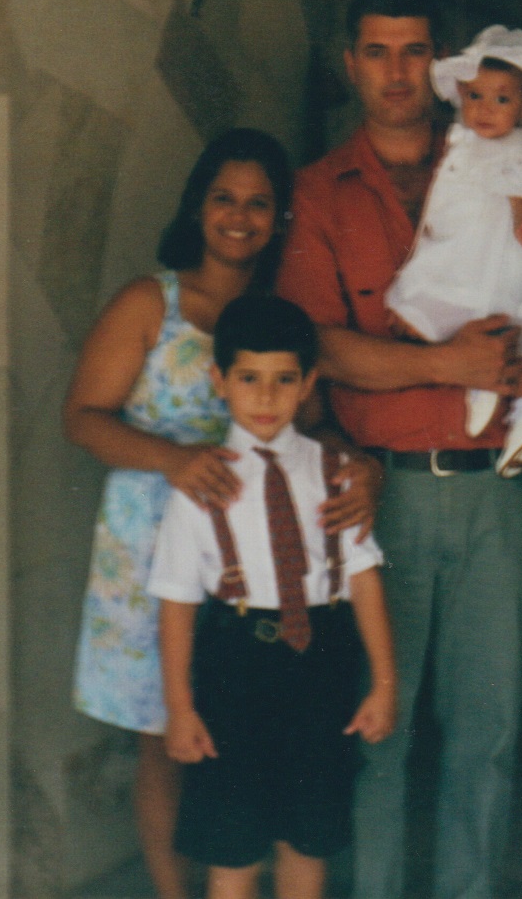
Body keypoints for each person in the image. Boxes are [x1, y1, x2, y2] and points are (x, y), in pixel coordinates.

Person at [277, 0, 522, 899]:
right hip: (379, 496)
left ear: (444, 65)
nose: (398, 71)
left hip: (497, 493)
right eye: (379, 51)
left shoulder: (504, 167)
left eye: (416, 50)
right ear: (349, 62)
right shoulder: (316, 194)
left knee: (488, 735)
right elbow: (321, 347)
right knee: (373, 733)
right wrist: (449, 367)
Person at [66, 129, 377, 899]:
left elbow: (318, 423)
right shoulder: (151, 301)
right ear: (197, 207)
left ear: (279, 220)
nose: (239, 217)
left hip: (265, 560)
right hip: (154, 547)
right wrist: (174, 459)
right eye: (224, 199)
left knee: (250, 734)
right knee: (169, 738)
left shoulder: (281, 317)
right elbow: (83, 417)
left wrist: (360, 466)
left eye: (259, 203)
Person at [148, 294, 397, 899]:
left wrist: (383, 684)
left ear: (308, 383)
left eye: (284, 380)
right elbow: (177, 603)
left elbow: (364, 579)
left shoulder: (335, 471)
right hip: (236, 664)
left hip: (322, 664)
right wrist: (180, 707)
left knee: (306, 839)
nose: (266, 397)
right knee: (233, 846)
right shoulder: (201, 484)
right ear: (220, 381)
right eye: (249, 379)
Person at [384, 24, 522, 476]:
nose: (485, 110)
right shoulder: (468, 140)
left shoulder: (516, 148)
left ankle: (493, 391)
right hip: (469, 241)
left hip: (497, 251)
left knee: (475, 313)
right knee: (495, 332)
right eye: (475, 97)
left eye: (501, 100)